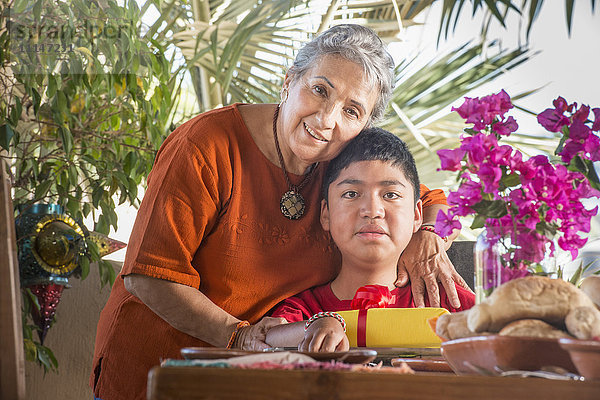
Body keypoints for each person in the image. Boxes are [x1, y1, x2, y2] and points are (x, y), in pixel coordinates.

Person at [91, 24, 467, 400]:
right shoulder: (204, 146)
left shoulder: (338, 164)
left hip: (252, 379)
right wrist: (238, 335)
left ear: (363, 127)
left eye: (351, 111)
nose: (326, 120)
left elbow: (425, 197)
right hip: (158, 368)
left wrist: (428, 235)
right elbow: (149, 276)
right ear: (289, 81)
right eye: (320, 90)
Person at [265, 128, 475, 351]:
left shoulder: (451, 303)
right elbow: (269, 338)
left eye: (390, 195)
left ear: (416, 216)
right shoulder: (304, 311)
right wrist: (318, 325)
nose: (372, 211)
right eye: (352, 194)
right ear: (325, 214)